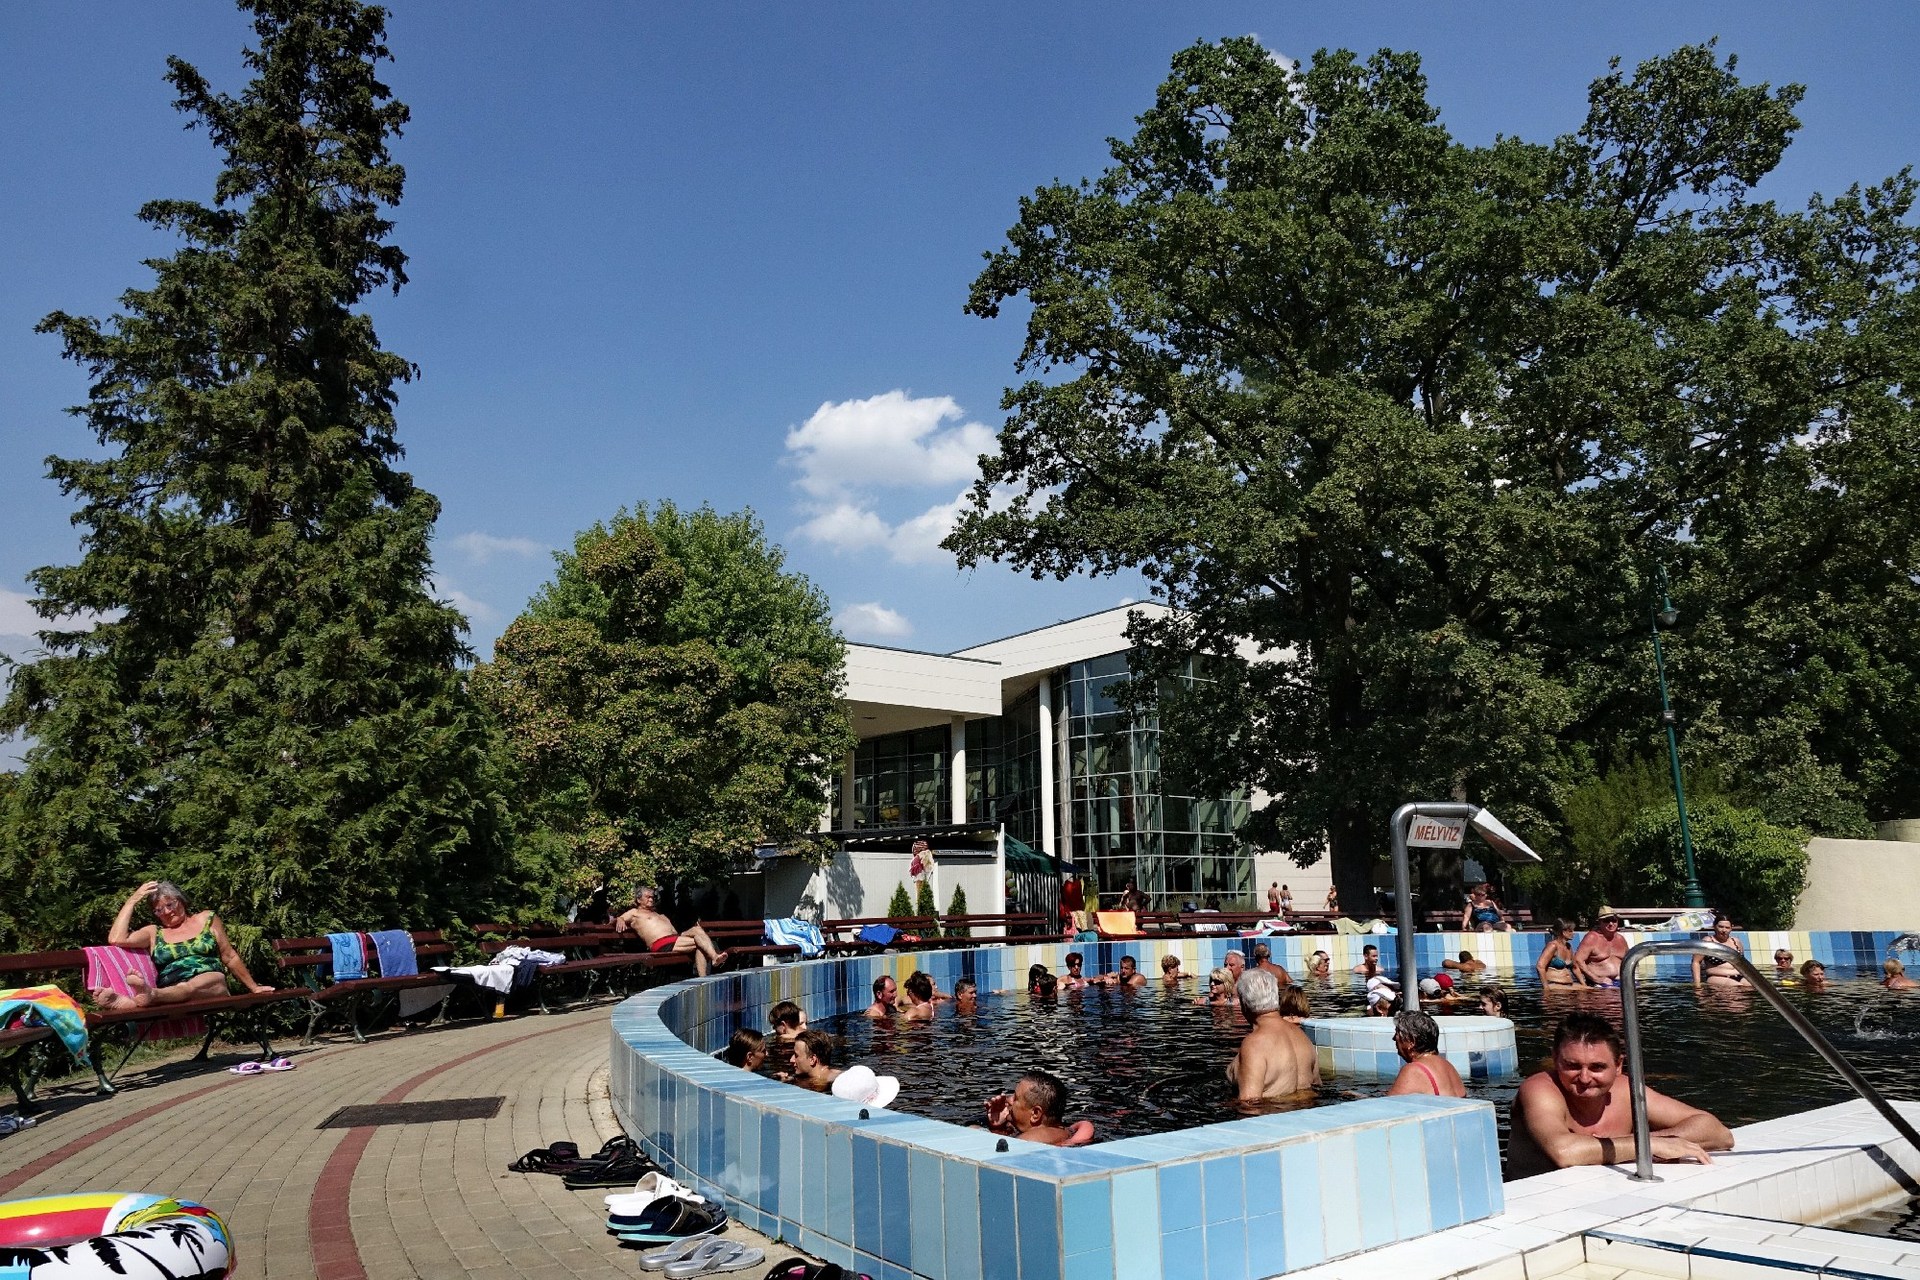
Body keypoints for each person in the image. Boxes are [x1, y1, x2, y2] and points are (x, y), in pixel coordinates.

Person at [1509, 1012, 1733, 1178]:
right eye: (1572, 1066)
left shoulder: (1625, 1089)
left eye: (1597, 1067)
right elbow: (1564, 1152)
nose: (1584, 1078)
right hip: (1537, 1206)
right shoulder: (1540, 1089)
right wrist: (1646, 1145)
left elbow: (1719, 1133)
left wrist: (1656, 1142)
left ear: (1618, 1065)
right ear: (1556, 1059)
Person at [92, 880, 274, 1009]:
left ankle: (143, 998)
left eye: (170, 905)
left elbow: (229, 956)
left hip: (211, 983)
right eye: (158, 910)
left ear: (181, 900)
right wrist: (132, 900)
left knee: (193, 986)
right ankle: (138, 1001)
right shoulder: (154, 933)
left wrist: (254, 987)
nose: (166, 912)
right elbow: (116, 938)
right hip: (172, 987)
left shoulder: (206, 919)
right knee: (181, 989)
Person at [1226, 968, 1319, 1103]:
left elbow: (1250, 1105)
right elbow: (1317, 1086)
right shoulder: (1302, 1037)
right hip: (1306, 1110)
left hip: (1275, 1112)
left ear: (1244, 1004)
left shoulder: (1254, 1045)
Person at [611, 887, 731, 976]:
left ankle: (703, 979)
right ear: (638, 900)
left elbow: (674, 932)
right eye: (647, 897)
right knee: (700, 943)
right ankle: (714, 958)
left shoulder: (659, 914)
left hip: (674, 938)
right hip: (660, 943)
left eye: (652, 897)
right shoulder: (635, 913)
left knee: (697, 930)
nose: (651, 899)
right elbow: (621, 918)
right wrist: (620, 919)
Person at [986, 1069, 1080, 1146]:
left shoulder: (1028, 1140)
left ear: (1035, 1113)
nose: (1008, 1100)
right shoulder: (1066, 1132)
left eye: (1015, 1098)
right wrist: (997, 1127)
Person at [1388, 1011, 1466, 1098]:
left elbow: (1389, 1104)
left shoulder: (1414, 1070)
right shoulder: (1449, 1067)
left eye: (1397, 1033)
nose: (1394, 1038)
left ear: (1411, 1041)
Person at [1575, 911, 1630, 985]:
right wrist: (1596, 979)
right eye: (1607, 920)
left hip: (1622, 981)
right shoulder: (1592, 938)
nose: (1611, 924)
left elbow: (1629, 960)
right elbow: (1578, 960)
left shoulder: (1620, 939)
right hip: (1600, 984)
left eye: (1614, 920)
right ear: (1600, 922)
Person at [1692, 915, 1749, 987]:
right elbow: (1696, 962)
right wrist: (1697, 984)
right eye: (1721, 927)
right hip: (1717, 977)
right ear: (1714, 926)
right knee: (1737, 987)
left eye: (1727, 927)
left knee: (1753, 986)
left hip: (1739, 976)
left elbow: (1742, 962)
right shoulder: (1707, 942)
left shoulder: (1736, 942)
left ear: (1731, 928)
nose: (1724, 930)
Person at [1535, 922, 1585, 988]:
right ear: (1563, 932)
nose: (1573, 933)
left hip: (1567, 985)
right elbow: (1540, 966)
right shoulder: (1553, 946)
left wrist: (1584, 985)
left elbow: (1575, 968)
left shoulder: (1568, 946)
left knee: (1591, 990)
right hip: (1554, 984)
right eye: (1570, 931)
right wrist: (1546, 988)